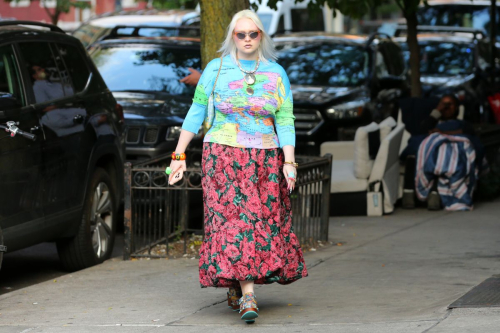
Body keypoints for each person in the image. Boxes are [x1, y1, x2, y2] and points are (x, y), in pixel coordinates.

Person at [168, 9, 308, 324]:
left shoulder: (275, 73)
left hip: (264, 157)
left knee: (255, 221)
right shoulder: (216, 70)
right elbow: (196, 111)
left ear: (262, 36)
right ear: (232, 36)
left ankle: (236, 282)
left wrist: (289, 161)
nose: (246, 39)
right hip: (221, 155)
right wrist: (179, 155)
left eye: (252, 34)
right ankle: (248, 294)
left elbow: (285, 119)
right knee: (231, 223)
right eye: (240, 34)